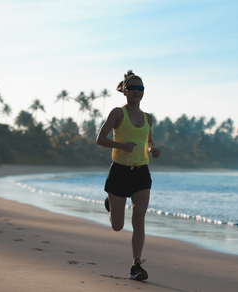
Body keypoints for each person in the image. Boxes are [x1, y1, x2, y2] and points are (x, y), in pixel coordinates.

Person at [96, 69, 160, 281]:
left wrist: (152, 149)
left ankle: (136, 266)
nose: (136, 91)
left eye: (140, 88)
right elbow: (100, 139)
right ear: (124, 91)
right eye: (131, 87)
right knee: (117, 226)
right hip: (119, 172)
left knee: (139, 218)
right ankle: (111, 202)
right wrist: (120, 145)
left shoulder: (148, 118)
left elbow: (147, 140)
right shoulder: (117, 113)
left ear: (143, 92)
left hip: (141, 172)